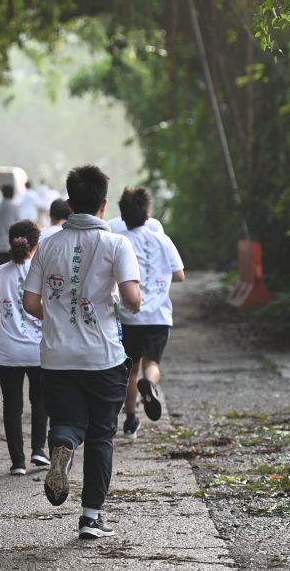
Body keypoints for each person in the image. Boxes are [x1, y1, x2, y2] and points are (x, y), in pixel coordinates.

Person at [22, 165, 141, 540]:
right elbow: (134, 300)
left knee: (70, 421)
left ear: (71, 203)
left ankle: (62, 444)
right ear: (104, 205)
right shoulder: (117, 244)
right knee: (103, 435)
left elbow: (29, 302)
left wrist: (57, 317)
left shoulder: (50, 244)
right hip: (103, 357)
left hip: (57, 358)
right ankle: (90, 517)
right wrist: (123, 303)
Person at [117, 188, 185, 439]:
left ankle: (131, 419)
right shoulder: (162, 239)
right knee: (152, 364)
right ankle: (151, 384)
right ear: (148, 212)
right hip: (158, 316)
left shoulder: (120, 240)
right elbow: (179, 274)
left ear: (123, 217)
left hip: (130, 316)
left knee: (131, 370)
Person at [0, 220, 49, 475]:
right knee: (40, 401)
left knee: (12, 405)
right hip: (39, 349)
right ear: (36, 244)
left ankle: (18, 462)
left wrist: (5, 311)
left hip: (7, 351)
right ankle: (39, 451)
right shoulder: (43, 270)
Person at [0, 184, 20, 267]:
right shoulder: (15, 208)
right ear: (12, 194)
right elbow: (19, 226)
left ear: (2, 194)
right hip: (11, 245)